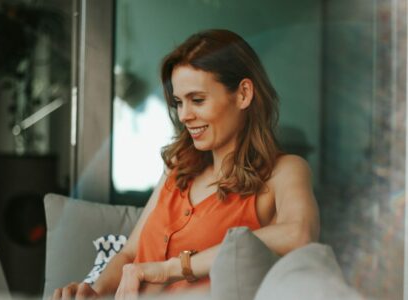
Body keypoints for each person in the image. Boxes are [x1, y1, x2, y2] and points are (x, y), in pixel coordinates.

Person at [52, 29, 319, 300]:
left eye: (198, 100)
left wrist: (173, 268)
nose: (184, 115)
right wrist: (93, 292)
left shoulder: (284, 171)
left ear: (243, 94)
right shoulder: (179, 167)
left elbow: (299, 234)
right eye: (179, 103)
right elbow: (131, 253)